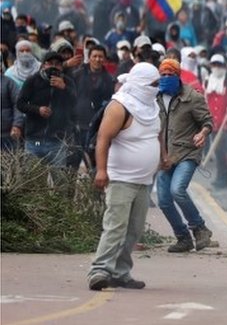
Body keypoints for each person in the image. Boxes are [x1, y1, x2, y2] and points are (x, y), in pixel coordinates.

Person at [88, 63, 162, 291]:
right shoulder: (120, 106)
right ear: (140, 83)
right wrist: (101, 170)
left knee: (134, 229)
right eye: (153, 84)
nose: (156, 88)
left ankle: (121, 272)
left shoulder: (152, 106)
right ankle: (99, 270)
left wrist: (163, 157)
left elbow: (157, 135)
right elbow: (103, 138)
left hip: (144, 180)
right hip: (121, 178)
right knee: (115, 226)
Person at [156, 58, 215, 253]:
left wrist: (203, 133)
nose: (166, 78)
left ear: (178, 75)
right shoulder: (154, 98)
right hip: (165, 156)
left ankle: (200, 228)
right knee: (163, 200)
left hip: (187, 152)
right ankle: (183, 237)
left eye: (170, 74)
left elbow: (208, 121)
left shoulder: (192, 97)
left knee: (177, 190)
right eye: (162, 74)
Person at [16, 51, 77, 168]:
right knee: (34, 181)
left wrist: (64, 88)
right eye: (50, 63)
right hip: (34, 139)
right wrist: (37, 110)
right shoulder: (33, 80)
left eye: (57, 64)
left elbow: (75, 104)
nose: (53, 67)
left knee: (60, 182)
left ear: (61, 66)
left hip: (57, 141)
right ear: (43, 65)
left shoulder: (68, 82)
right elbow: (20, 103)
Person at [205, 54, 227, 189]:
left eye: (219, 65)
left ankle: (224, 178)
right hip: (213, 121)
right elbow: (206, 101)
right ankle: (222, 177)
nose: (216, 68)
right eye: (214, 65)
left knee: (222, 151)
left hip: (225, 121)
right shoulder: (207, 81)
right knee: (218, 151)